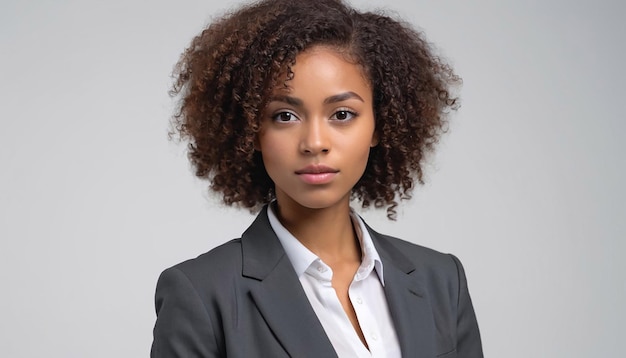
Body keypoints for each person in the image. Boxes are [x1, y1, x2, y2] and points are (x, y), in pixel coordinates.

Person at [151, 0, 483, 357]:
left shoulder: (442, 280)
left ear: (379, 124)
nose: (315, 143)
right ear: (252, 131)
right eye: (284, 116)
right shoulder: (201, 293)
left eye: (342, 114)